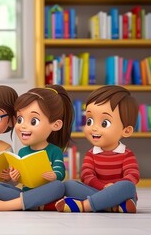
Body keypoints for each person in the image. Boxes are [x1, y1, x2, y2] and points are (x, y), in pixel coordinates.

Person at [0, 85, 73, 211]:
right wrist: (15, 176)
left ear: (56, 124)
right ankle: (37, 205)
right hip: (26, 193)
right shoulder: (22, 152)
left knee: (59, 187)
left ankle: (11, 205)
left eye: (33, 121)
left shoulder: (54, 151)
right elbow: (20, 179)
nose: (23, 126)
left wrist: (54, 175)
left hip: (47, 192)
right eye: (20, 119)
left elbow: (60, 173)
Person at [55, 85, 139, 213]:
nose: (93, 128)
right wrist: (103, 187)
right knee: (68, 185)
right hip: (97, 191)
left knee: (128, 186)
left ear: (126, 130)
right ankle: (112, 206)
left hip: (118, 193)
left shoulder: (127, 154)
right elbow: (86, 175)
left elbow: (133, 175)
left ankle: (84, 206)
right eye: (89, 121)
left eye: (104, 123)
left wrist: (114, 188)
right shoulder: (91, 154)